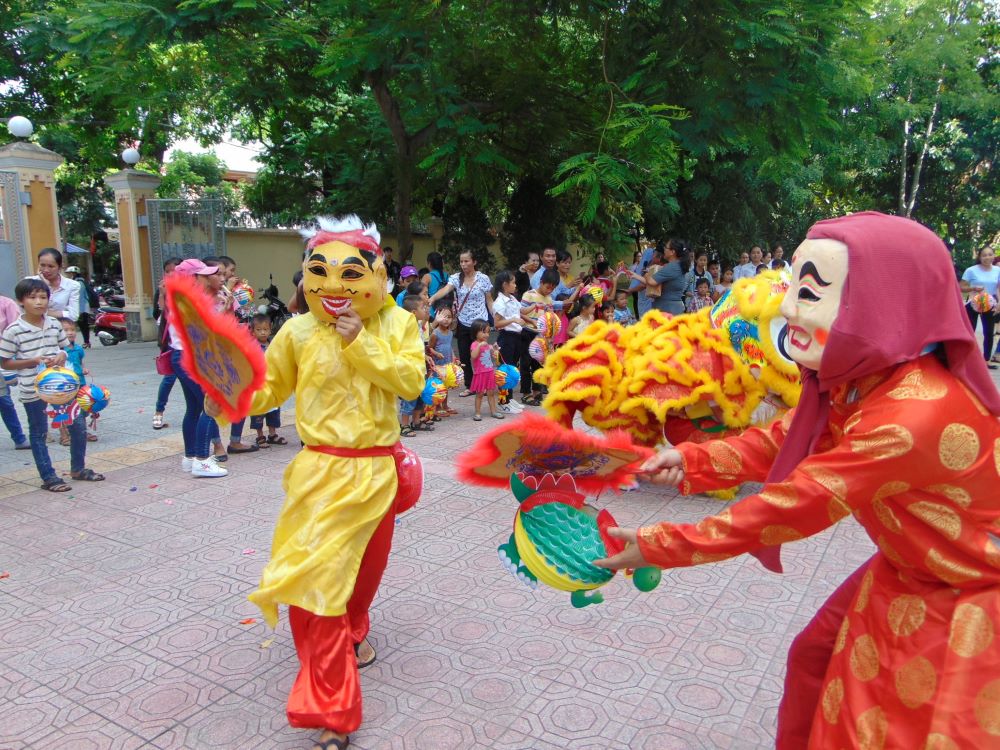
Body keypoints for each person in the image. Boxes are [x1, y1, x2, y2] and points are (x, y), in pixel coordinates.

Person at [597, 212, 1000, 749]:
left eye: (809, 292)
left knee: (900, 725)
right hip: (908, 566)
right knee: (817, 662)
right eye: (794, 283)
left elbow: (798, 502)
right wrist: (690, 461)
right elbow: (780, 441)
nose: (787, 307)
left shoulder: (912, 415)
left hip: (967, 588)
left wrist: (663, 545)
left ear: (883, 303)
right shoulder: (861, 383)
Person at [207, 216, 424, 750]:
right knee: (318, 585)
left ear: (376, 277)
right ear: (306, 278)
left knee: (363, 577)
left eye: (351, 274)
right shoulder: (298, 330)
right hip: (318, 473)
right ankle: (329, 704)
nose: (334, 287)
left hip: (378, 471)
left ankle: (354, 629)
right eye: (320, 273)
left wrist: (360, 342)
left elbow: (412, 382)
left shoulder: (396, 325)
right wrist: (230, 398)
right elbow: (269, 387)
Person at [0, 278, 104, 491]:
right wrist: (32, 361)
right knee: (38, 432)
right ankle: (49, 477)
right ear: (21, 301)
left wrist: (60, 356)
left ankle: (78, 468)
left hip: (63, 389)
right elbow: (5, 362)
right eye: (32, 297)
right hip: (34, 390)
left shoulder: (54, 324)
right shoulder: (14, 330)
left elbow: (66, 349)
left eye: (43, 297)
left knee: (78, 426)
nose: (39, 302)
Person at [168, 259, 229, 478]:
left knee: (193, 409)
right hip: (191, 358)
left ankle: (191, 457)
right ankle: (202, 460)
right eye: (205, 275)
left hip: (182, 356)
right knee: (210, 405)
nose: (212, 278)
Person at [428, 251, 495, 395]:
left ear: (474, 262)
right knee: (465, 355)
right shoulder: (456, 278)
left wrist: (495, 317)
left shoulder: (483, 278)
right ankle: (470, 386)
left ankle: (483, 385)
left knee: (481, 354)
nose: (464, 264)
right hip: (463, 321)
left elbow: (489, 300)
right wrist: (432, 298)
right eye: (461, 262)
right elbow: (446, 289)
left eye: (467, 261)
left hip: (480, 323)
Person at [520, 268, 559, 405]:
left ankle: (536, 390)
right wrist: (532, 320)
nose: (549, 290)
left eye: (552, 288)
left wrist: (550, 336)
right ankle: (526, 393)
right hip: (527, 332)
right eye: (548, 287)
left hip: (542, 335)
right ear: (541, 282)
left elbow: (550, 318)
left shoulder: (549, 299)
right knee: (525, 363)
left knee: (538, 364)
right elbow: (520, 312)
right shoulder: (529, 295)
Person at [153, 258, 183, 430]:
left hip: (186, 345)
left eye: (176, 270)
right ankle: (158, 411)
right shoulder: (163, 291)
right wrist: (163, 295)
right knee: (169, 378)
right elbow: (159, 317)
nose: (172, 274)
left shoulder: (189, 292)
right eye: (168, 271)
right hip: (171, 344)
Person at [246, 314, 284, 447]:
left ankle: (272, 434)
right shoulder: (251, 346)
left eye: (265, 329)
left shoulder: (273, 344)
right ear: (252, 331)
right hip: (258, 384)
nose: (262, 332)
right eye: (259, 329)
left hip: (272, 383)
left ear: (270, 329)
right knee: (259, 410)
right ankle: (260, 435)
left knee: (273, 409)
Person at [491, 270, 526, 415]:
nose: (515, 285)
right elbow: (497, 324)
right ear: (505, 285)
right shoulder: (499, 302)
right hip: (506, 338)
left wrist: (534, 319)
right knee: (505, 371)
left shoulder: (512, 298)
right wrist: (512, 320)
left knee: (512, 369)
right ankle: (503, 401)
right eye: (513, 282)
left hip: (516, 337)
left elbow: (521, 313)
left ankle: (509, 399)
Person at [960, 246, 999, 368]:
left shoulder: (997, 270)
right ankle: (966, 359)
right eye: (984, 255)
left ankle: (986, 360)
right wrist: (973, 288)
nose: (987, 257)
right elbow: (961, 287)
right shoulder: (971, 270)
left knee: (989, 332)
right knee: (969, 331)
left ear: (993, 256)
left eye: (989, 254)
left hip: (990, 304)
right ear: (980, 257)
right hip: (973, 303)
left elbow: (999, 288)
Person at [58, 319, 95, 445]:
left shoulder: (78, 349)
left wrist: (83, 369)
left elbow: (80, 362)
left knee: (83, 406)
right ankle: (64, 434)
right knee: (64, 408)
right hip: (65, 385)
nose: (70, 333)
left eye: (72, 330)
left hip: (80, 383)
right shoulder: (59, 351)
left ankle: (82, 431)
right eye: (66, 330)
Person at [0, 294, 28, 450]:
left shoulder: (6, 304)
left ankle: (19, 437)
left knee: (4, 401)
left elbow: (17, 334)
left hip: (3, 357)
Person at [398, 295, 429, 438]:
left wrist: (426, 356)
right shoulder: (406, 328)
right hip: (410, 368)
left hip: (420, 366)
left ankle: (416, 421)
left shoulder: (418, 325)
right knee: (409, 396)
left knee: (420, 395)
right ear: (413, 313)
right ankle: (404, 425)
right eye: (422, 307)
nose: (425, 309)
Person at [29, 248, 79, 322]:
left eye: (51, 266)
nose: (46, 270)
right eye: (42, 265)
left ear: (59, 267)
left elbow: (74, 316)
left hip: (60, 328)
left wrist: (43, 312)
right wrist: (45, 285)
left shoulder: (72, 285)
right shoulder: (30, 282)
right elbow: (26, 310)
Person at [643, 238, 690, 315]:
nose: (664, 249)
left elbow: (651, 282)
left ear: (672, 252)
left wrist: (646, 273)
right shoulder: (678, 265)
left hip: (667, 309)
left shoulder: (672, 266)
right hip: (673, 308)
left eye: (666, 247)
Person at [469, 319, 502, 421]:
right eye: (483, 332)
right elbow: (473, 356)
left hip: (489, 372)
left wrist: (495, 349)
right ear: (475, 333)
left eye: (488, 332)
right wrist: (479, 346)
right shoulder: (474, 344)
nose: (486, 335)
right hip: (480, 373)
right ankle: (478, 413)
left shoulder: (487, 344)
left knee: (491, 393)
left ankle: (494, 411)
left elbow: (493, 354)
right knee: (479, 394)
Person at [428, 307, 457, 417]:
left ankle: (445, 405)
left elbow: (449, 347)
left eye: (449, 317)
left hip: (447, 363)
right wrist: (436, 354)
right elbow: (429, 348)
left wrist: (454, 358)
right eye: (444, 316)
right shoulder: (435, 333)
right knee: (439, 386)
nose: (446, 319)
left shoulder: (450, 333)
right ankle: (438, 406)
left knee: (446, 385)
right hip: (438, 364)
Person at [65, 266, 95, 347]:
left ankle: (86, 342)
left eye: (70, 273)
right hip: (81, 308)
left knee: (82, 326)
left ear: (74, 274)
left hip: (81, 308)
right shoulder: (79, 282)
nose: (68, 275)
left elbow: (80, 298)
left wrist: (78, 310)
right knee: (83, 326)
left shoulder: (78, 284)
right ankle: (86, 342)